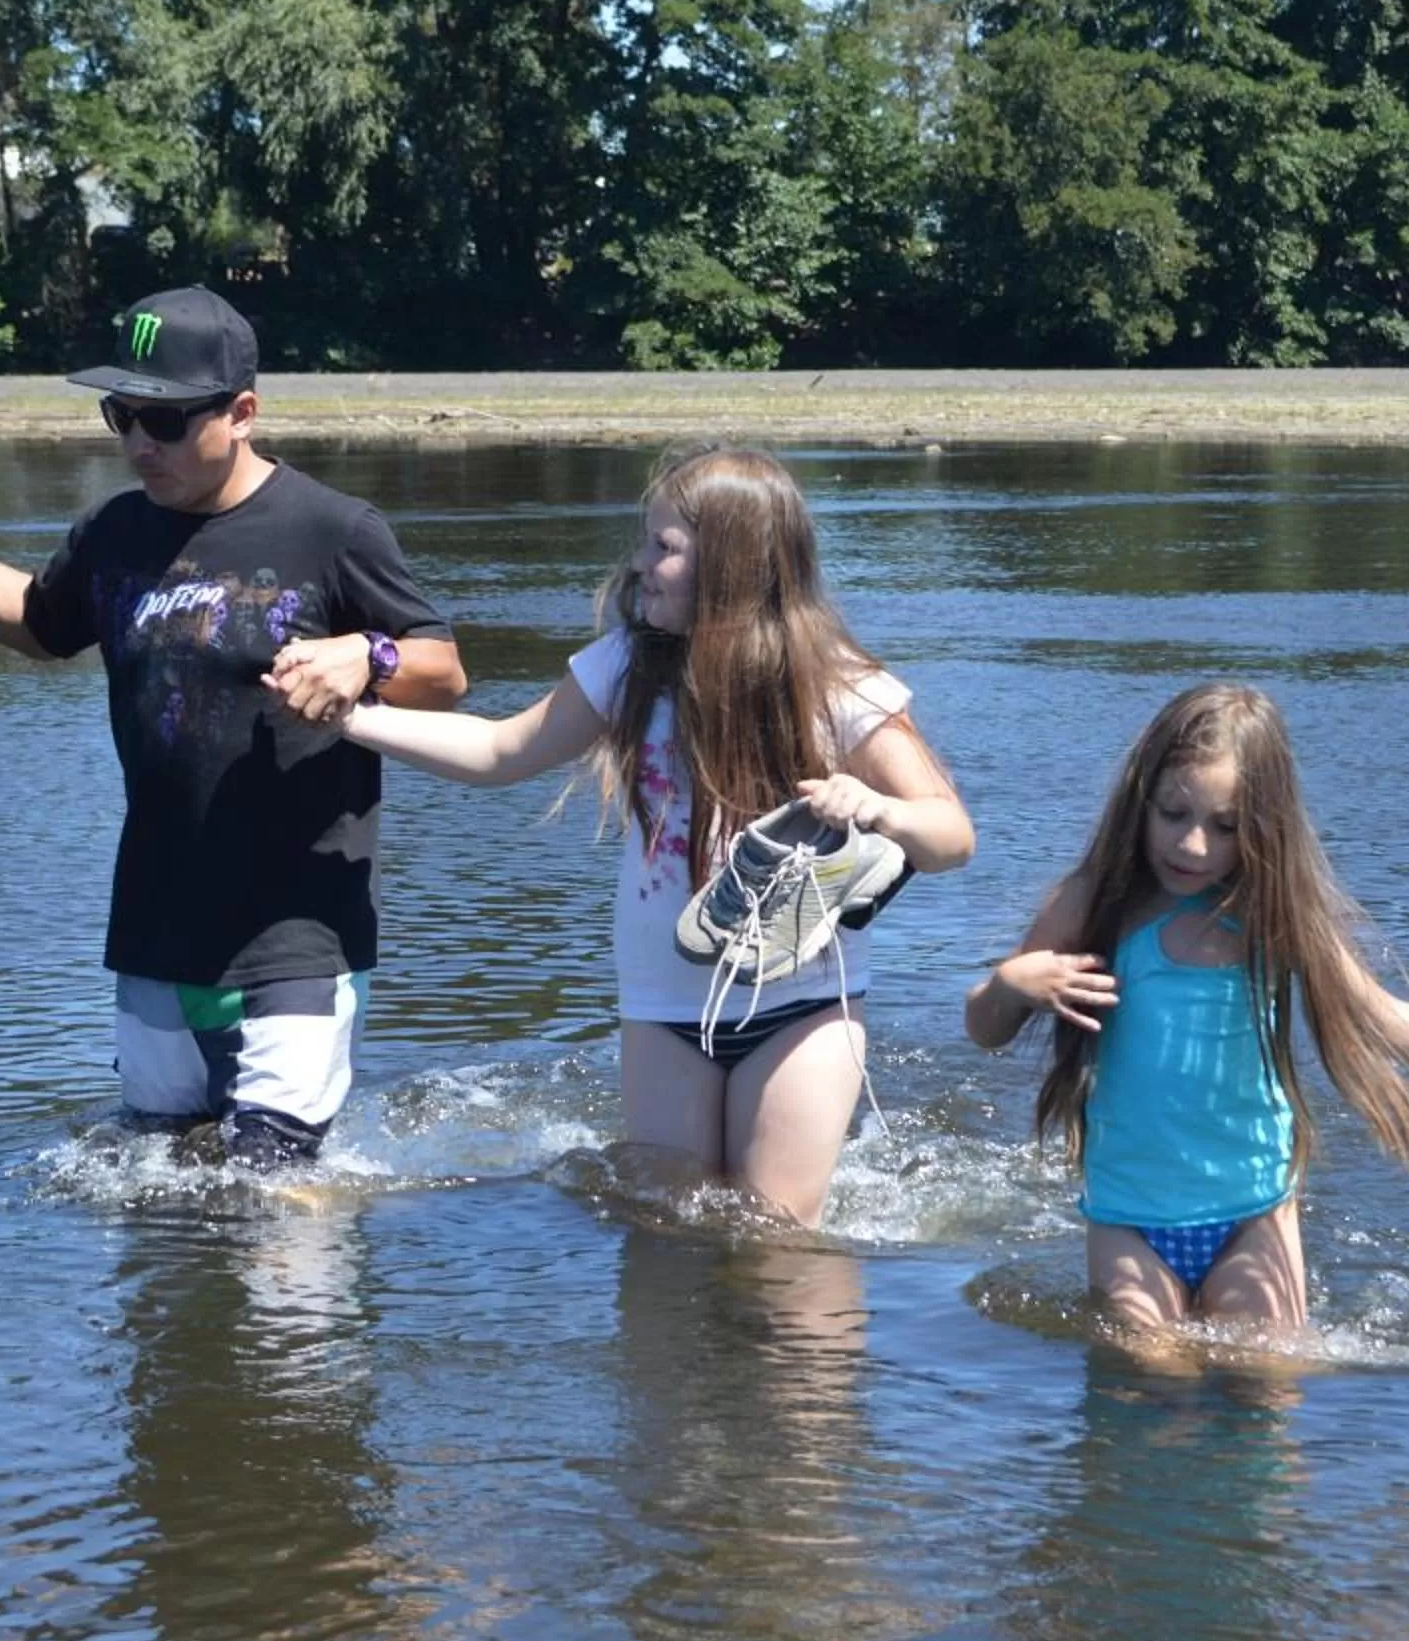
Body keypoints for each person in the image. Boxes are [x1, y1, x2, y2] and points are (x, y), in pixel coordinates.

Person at [0, 284, 467, 1165]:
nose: (136, 443)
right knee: (159, 1182)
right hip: (158, 918)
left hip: (298, 925)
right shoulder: (115, 529)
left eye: (164, 421)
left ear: (242, 412)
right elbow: (40, 623)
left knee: (277, 1187)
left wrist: (369, 655)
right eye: (119, 414)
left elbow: (445, 670)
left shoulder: (332, 530)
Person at [313, 444, 975, 1227]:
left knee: (775, 1236)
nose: (638, 566)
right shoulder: (628, 665)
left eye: (663, 548)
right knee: (670, 1233)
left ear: (732, 563)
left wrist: (877, 807)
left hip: (803, 1008)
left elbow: (951, 836)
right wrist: (351, 718)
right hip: (665, 1008)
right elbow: (497, 753)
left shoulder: (832, 681)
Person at [964, 681, 1409, 1334]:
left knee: (1268, 1386)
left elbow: (1380, 1017)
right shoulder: (1096, 904)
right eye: (1174, 814)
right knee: (1152, 1379)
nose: (1192, 844)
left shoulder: (1269, 918)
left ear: (1261, 828)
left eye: (1224, 825)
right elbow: (985, 1030)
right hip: (1128, 1218)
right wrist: (1012, 986)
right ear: (1139, 800)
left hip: (1252, 1213)